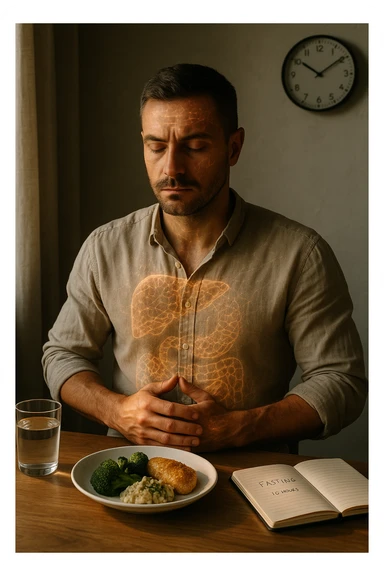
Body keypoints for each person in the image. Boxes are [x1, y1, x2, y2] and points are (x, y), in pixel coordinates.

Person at [42, 63, 367, 453]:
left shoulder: (300, 254)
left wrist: (240, 427)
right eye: (156, 146)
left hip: (256, 478)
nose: (172, 168)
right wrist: (116, 412)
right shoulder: (104, 247)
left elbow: (340, 379)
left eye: (195, 146)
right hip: (132, 470)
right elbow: (63, 354)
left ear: (233, 148)